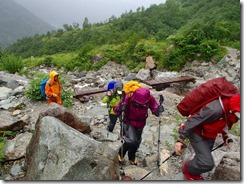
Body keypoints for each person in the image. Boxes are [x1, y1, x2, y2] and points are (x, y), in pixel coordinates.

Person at [174, 93, 240, 180]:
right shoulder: (215, 109)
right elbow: (194, 120)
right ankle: (187, 169)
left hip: (210, 134)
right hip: (197, 132)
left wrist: (225, 136)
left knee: (202, 159)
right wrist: (180, 140)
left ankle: (194, 174)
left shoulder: (230, 110)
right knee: (207, 163)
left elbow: (224, 123)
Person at [114, 87, 164, 165]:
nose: (141, 104)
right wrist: (120, 108)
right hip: (129, 122)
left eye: (143, 104)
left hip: (141, 123)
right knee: (132, 140)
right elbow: (116, 110)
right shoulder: (129, 97)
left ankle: (132, 156)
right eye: (138, 103)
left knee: (137, 142)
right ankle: (121, 153)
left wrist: (159, 109)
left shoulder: (149, 98)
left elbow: (155, 110)